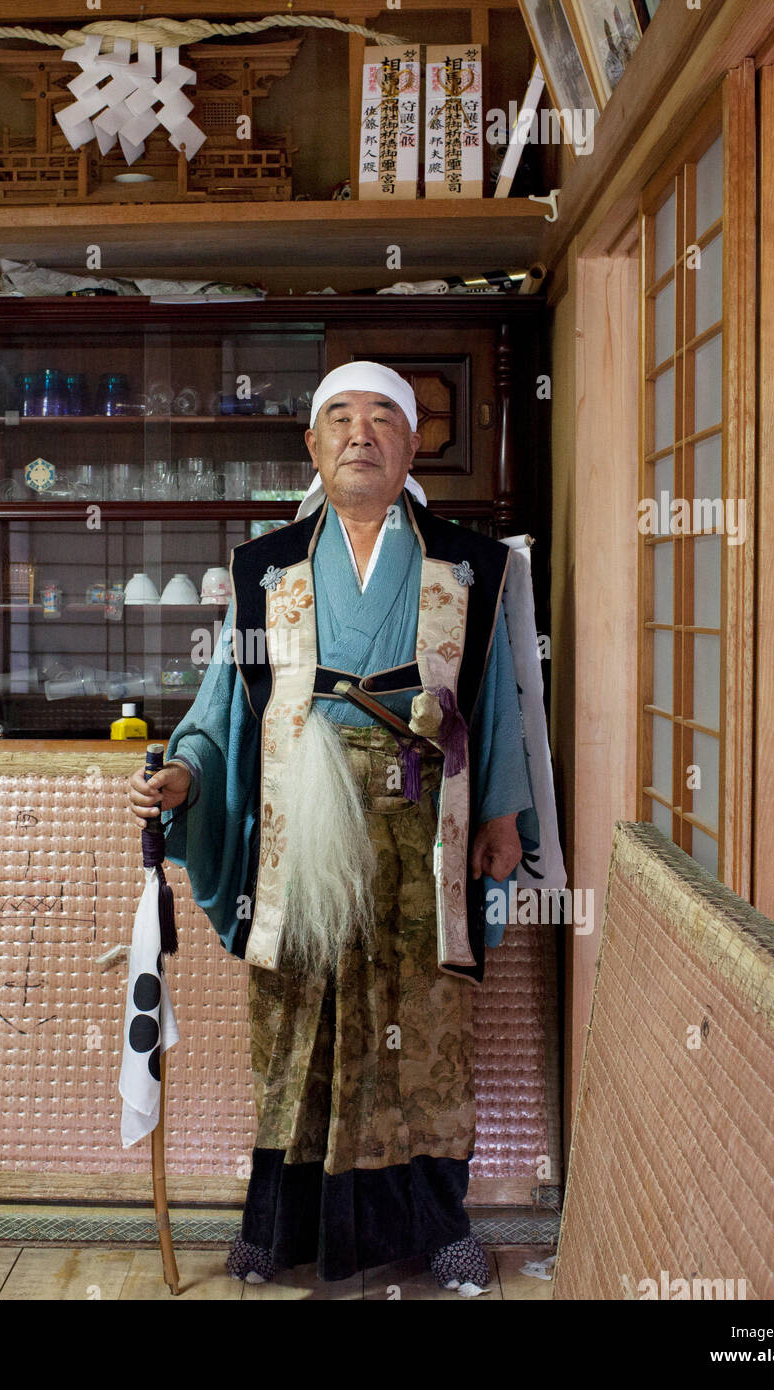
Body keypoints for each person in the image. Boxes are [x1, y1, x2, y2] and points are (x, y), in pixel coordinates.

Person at [128, 360, 540, 1292]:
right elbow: (226, 700)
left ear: (413, 443)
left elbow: (496, 702)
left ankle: (437, 1227)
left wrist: (505, 812)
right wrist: (188, 772)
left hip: (422, 826)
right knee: (297, 1024)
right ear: (312, 446)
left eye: (383, 418)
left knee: (427, 1028)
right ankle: (278, 1232)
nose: (362, 433)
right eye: (340, 419)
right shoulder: (264, 567)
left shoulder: (473, 566)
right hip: (299, 827)